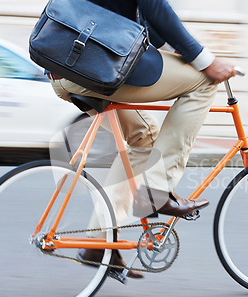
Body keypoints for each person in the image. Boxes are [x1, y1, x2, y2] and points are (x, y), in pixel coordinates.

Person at [49, 0, 236, 280]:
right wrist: (206, 61)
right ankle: (156, 191)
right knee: (203, 82)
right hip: (96, 66)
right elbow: (156, 6)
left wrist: (181, 48)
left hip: (64, 68)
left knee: (143, 138)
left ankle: (99, 242)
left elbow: (152, 24)